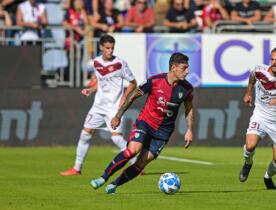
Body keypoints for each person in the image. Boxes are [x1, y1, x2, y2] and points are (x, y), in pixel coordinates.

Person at [90, 52, 194, 194]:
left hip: (163, 132)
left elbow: (188, 109)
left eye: (188, 68)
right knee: (132, 150)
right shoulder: (154, 81)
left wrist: (189, 129)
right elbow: (133, 96)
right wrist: (118, 116)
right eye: (184, 68)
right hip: (145, 122)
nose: (187, 71)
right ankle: (103, 177)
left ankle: (114, 185)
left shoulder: (187, 88)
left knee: (141, 163)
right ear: (173, 67)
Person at [60, 34, 138, 176]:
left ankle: (137, 165)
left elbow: (133, 83)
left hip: (114, 107)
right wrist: (90, 89)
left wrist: (124, 96)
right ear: (101, 47)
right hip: (98, 106)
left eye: (112, 48)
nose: (110, 51)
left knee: (116, 138)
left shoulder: (121, 63)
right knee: (85, 134)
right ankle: (77, 169)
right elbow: (98, 83)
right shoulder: (96, 62)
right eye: (107, 48)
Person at [239, 47, 276, 190]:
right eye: (272, 59)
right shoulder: (260, 70)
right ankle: (248, 163)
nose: (274, 62)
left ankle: (267, 177)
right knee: (250, 145)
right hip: (260, 115)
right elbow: (252, 77)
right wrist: (248, 93)